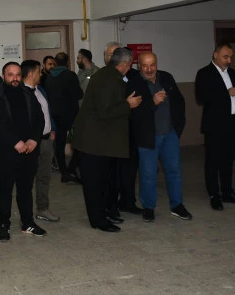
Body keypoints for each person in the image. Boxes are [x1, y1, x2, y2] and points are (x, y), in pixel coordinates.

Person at [70, 48, 142, 232]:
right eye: (130, 64)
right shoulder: (108, 79)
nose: (130, 67)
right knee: (94, 184)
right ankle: (98, 220)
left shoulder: (109, 75)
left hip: (100, 140)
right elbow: (104, 112)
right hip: (92, 141)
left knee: (103, 181)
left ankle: (103, 213)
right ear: (124, 64)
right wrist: (128, 104)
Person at [127, 52, 191, 223]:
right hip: (148, 138)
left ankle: (177, 205)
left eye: (152, 65)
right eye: (145, 65)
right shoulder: (134, 83)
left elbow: (179, 102)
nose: (149, 69)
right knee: (148, 174)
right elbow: (132, 114)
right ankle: (149, 207)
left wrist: (177, 129)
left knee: (174, 171)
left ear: (157, 64)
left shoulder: (167, 78)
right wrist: (152, 102)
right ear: (138, 66)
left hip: (170, 135)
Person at [0, 61, 46, 240]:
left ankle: (27, 223)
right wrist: (15, 142)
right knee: (5, 190)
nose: (15, 78)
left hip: (28, 151)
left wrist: (34, 139)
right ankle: (4, 225)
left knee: (26, 190)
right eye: (10, 74)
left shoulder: (28, 94)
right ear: (3, 76)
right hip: (6, 152)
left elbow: (39, 118)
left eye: (18, 74)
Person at [195, 42, 235, 211]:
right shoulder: (204, 73)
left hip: (232, 123)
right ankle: (214, 195)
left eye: (231, 57)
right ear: (215, 55)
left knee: (228, 161)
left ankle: (227, 192)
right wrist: (225, 93)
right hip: (214, 125)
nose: (229, 60)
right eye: (226, 57)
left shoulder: (233, 73)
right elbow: (201, 98)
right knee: (213, 161)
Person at [104, 42, 142, 215]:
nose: (114, 58)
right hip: (110, 131)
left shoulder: (134, 76)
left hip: (130, 129)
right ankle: (110, 204)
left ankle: (128, 201)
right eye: (111, 55)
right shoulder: (103, 77)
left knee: (129, 169)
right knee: (110, 171)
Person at [21, 61, 60, 223]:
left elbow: (47, 111)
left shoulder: (40, 89)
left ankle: (42, 208)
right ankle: (26, 214)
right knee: (27, 178)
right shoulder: (20, 92)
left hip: (46, 140)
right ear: (31, 74)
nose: (41, 74)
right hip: (31, 143)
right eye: (39, 71)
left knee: (44, 176)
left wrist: (52, 128)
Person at [45, 52, 83, 183]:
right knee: (79, 142)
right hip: (71, 115)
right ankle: (72, 168)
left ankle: (64, 172)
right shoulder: (70, 75)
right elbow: (79, 94)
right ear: (67, 62)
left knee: (59, 145)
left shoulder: (49, 77)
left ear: (55, 63)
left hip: (55, 115)